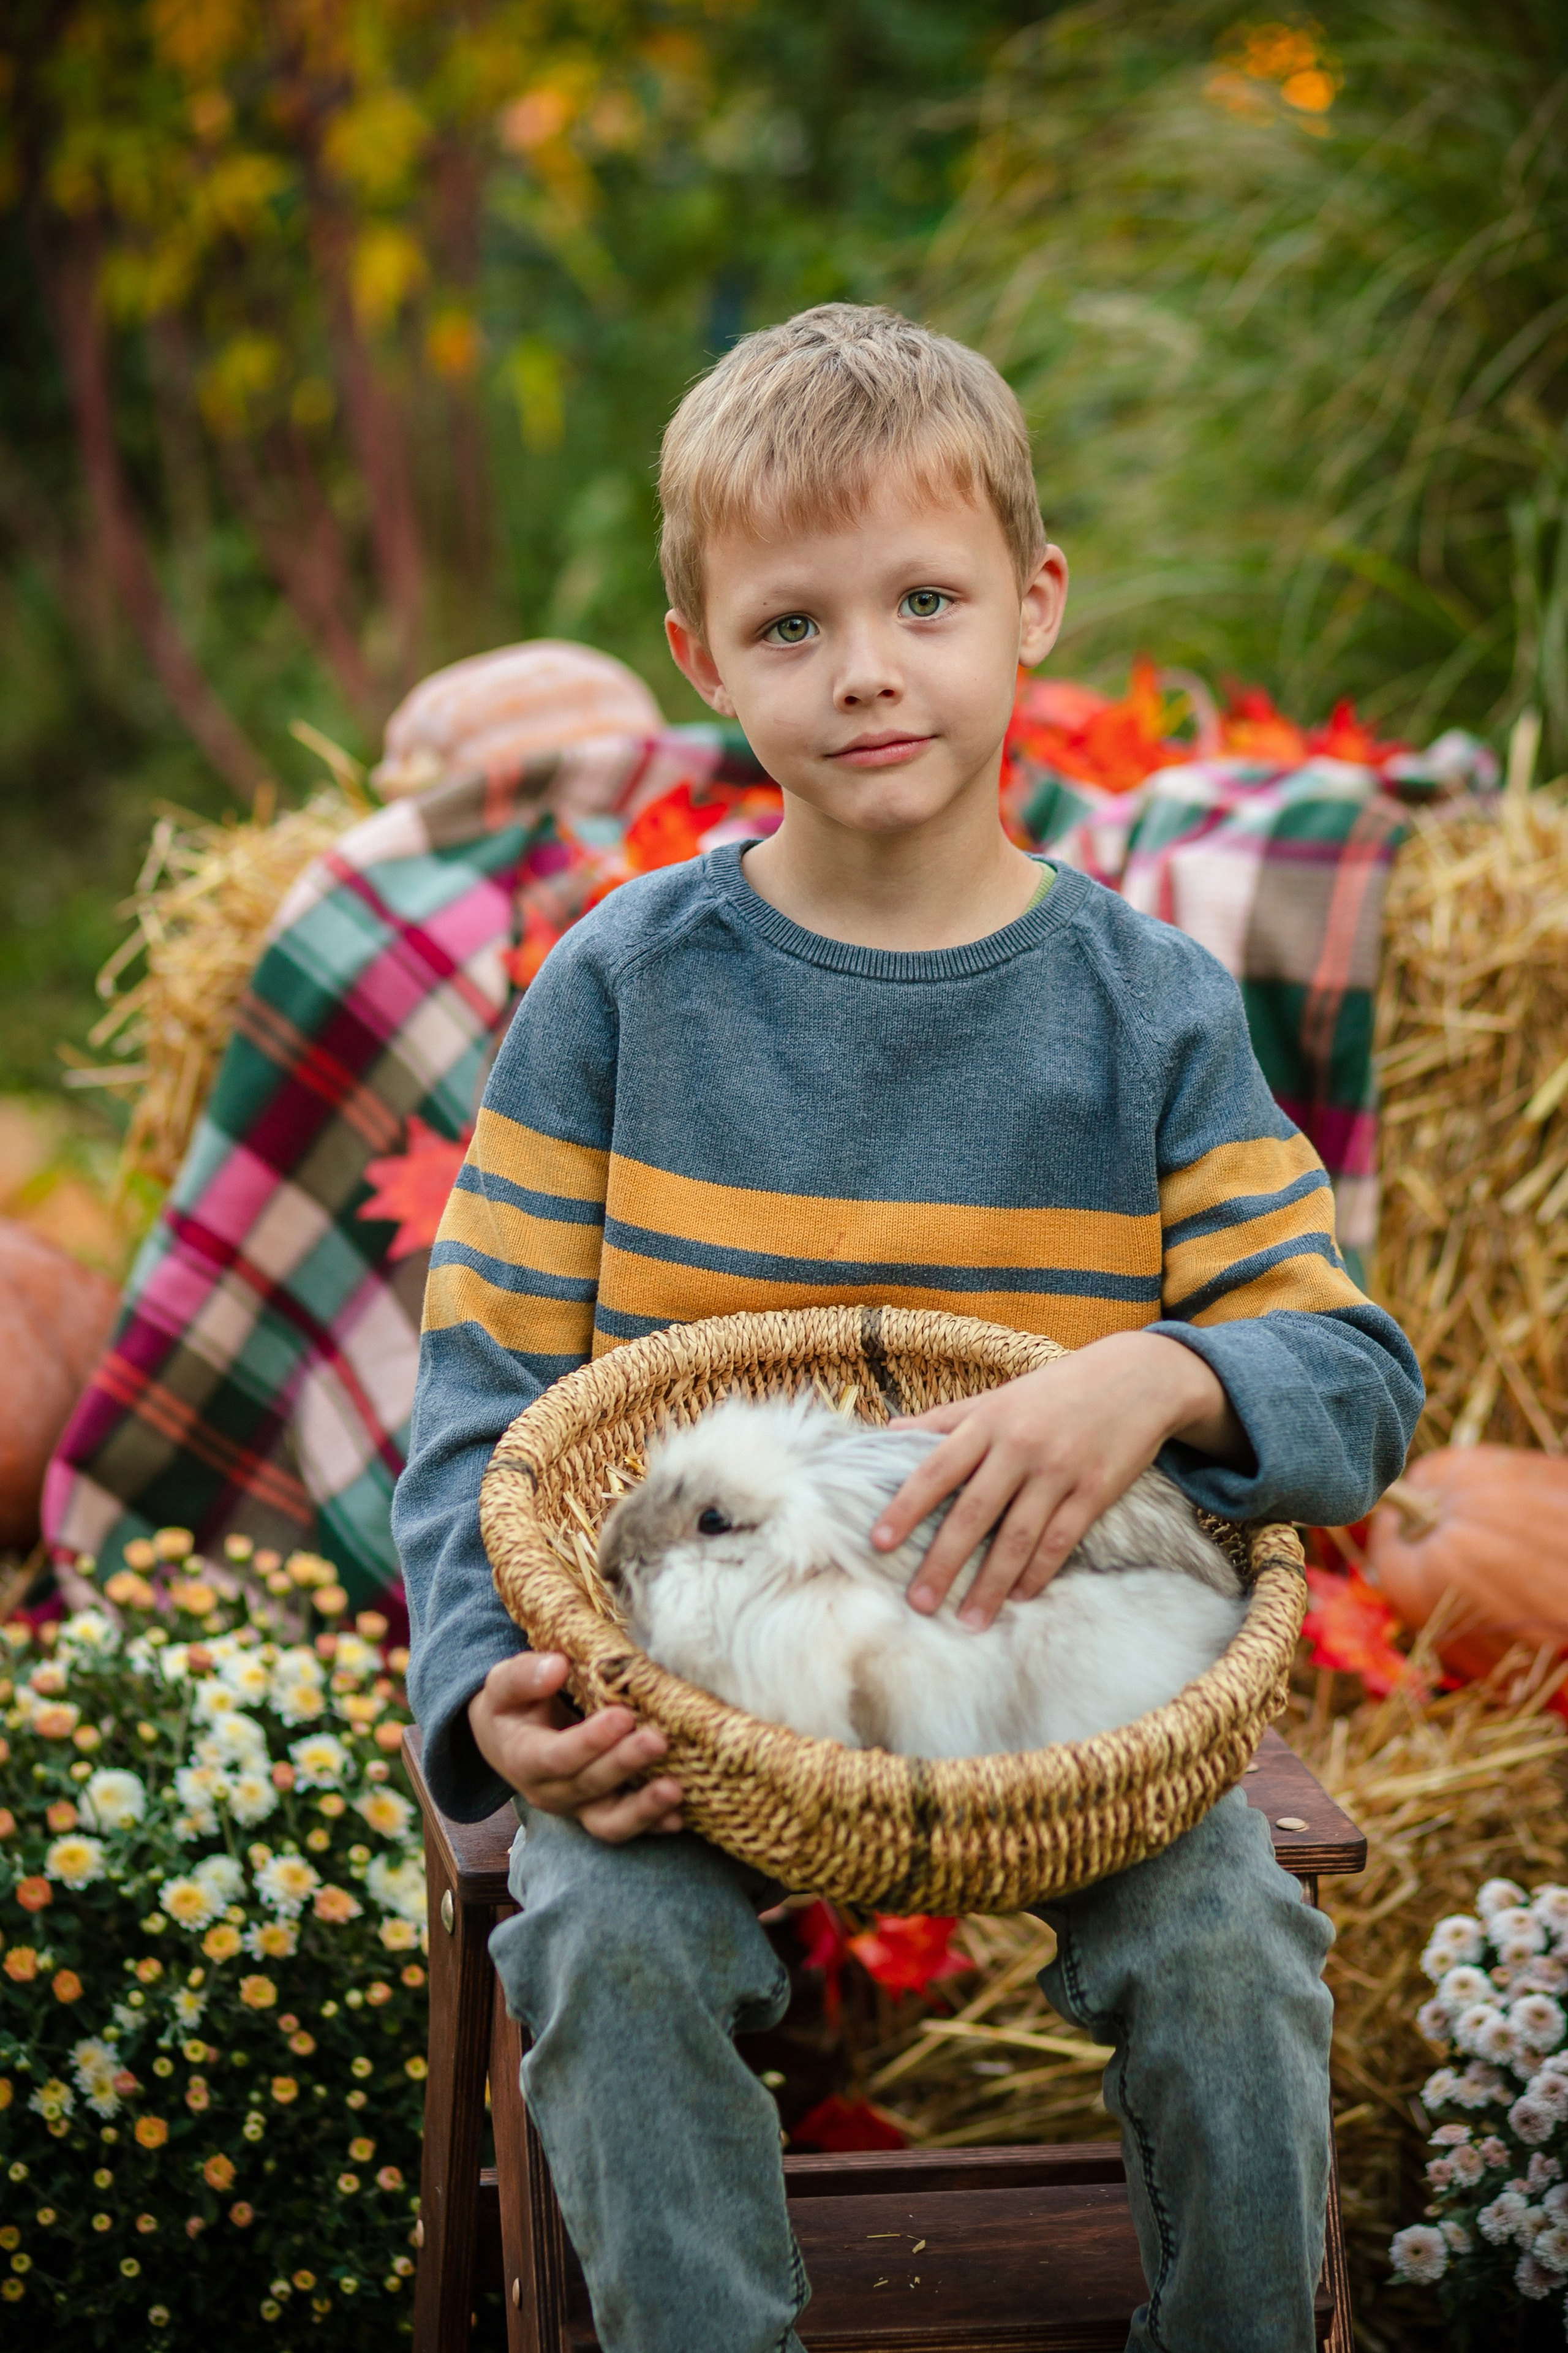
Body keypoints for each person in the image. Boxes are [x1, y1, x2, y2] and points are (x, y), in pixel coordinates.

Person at [394, 303, 1422, 2352]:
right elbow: (481, 1404)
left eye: (926, 600)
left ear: (1033, 606)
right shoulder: (620, 993)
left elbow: (1357, 1385)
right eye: (792, 626)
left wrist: (1165, 1367)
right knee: (603, 1932)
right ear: (700, 658)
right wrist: (481, 1693)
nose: (866, 669)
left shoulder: (1143, 1010)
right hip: (689, 1700)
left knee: (1232, 1942)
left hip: (1049, 1684)